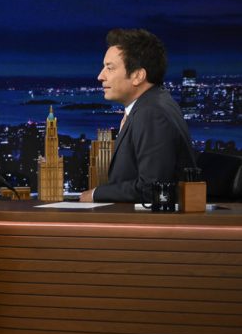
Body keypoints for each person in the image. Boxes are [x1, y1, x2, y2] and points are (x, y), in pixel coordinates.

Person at [80, 28, 195, 203]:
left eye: (109, 68)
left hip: (148, 220)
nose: (100, 76)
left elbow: (153, 188)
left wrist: (95, 194)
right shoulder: (150, 105)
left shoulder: (152, 113)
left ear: (138, 76)